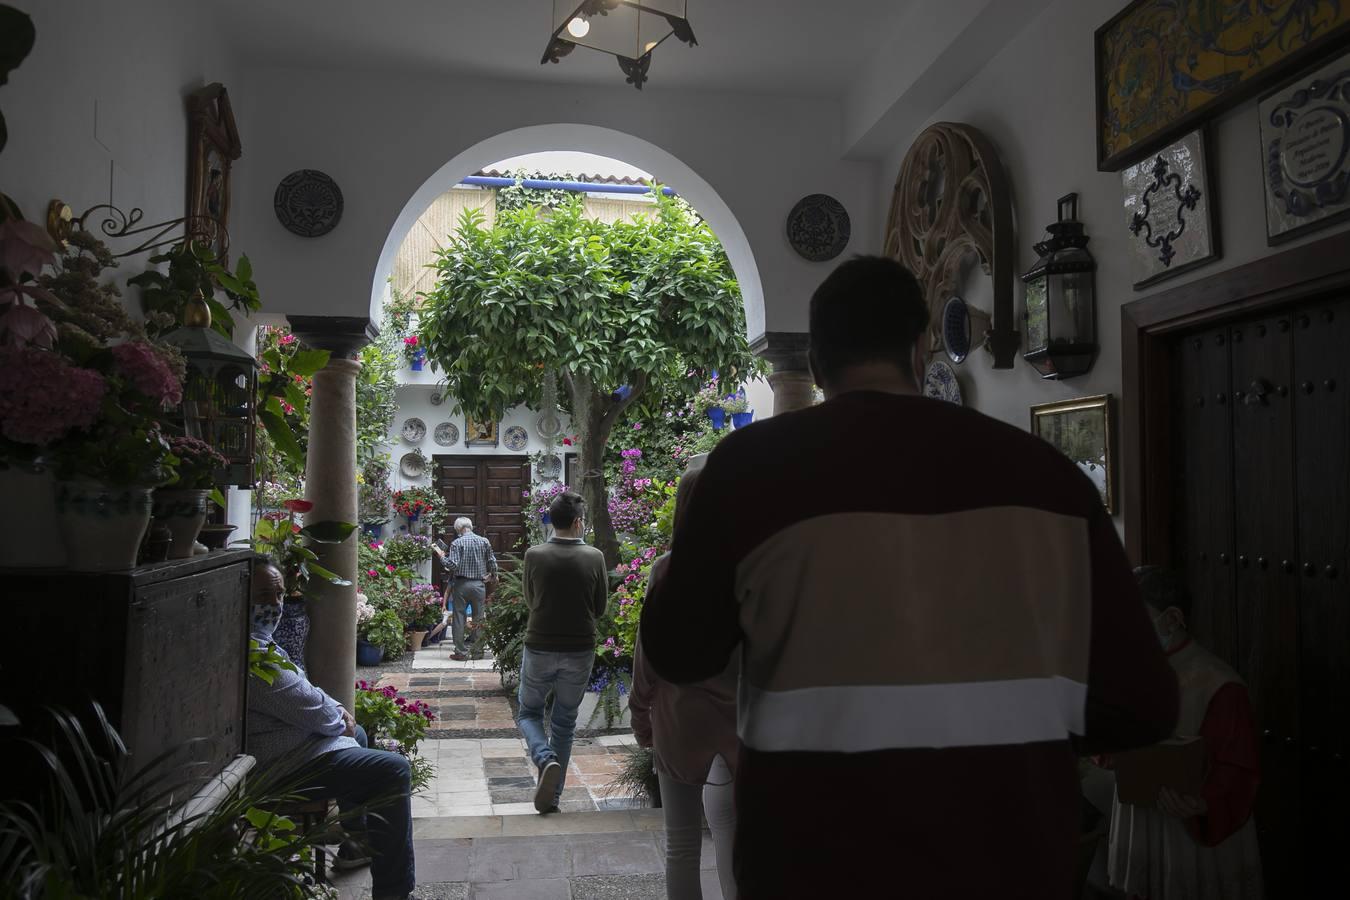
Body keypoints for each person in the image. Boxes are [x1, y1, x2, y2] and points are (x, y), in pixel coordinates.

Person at [639, 255, 1180, 899]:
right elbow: (1142, 706)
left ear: (815, 365)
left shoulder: (749, 473)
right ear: (922, 348)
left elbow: (679, 649)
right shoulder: (1048, 479)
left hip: (812, 860)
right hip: (1007, 860)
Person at [246, 556, 420, 900]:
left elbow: (305, 693)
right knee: (392, 770)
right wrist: (337, 713)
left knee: (356, 734)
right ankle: (394, 892)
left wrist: (336, 711)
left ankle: (357, 841)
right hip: (281, 765)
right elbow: (309, 706)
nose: (274, 605)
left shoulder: (258, 642)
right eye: (264, 595)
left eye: (280, 595)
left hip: (290, 747)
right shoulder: (256, 658)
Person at [1103, 566, 1263, 899]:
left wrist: (1205, 803)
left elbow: (1236, 767)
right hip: (1142, 818)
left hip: (1188, 827)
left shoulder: (1218, 683)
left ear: (1172, 619)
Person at [629, 454, 739, 900]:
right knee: (732, 836)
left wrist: (640, 713)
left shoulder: (665, 569)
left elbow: (647, 651)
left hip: (677, 717)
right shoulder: (751, 569)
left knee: (681, 844)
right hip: (738, 716)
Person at [515, 491, 609, 813]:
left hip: (539, 644)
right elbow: (599, 608)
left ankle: (543, 756)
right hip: (579, 648)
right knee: (565, 722)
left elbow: (530, 600)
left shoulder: (534, 555)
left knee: (528, 713)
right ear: (579, 522)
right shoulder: (595, 557)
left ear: (551, 521)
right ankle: (552, 799)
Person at [434, 517, 498, 661]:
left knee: (459, 618)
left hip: (461, 585)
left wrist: (442, 557)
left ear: (458, 529)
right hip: (479, 585)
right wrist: (493, 575)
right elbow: (492, 561)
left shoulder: (457, 543)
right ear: (470, 527)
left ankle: (461, 652)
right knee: (479, 618)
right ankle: (477, 652)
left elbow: (453, 566)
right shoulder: (484, 541)